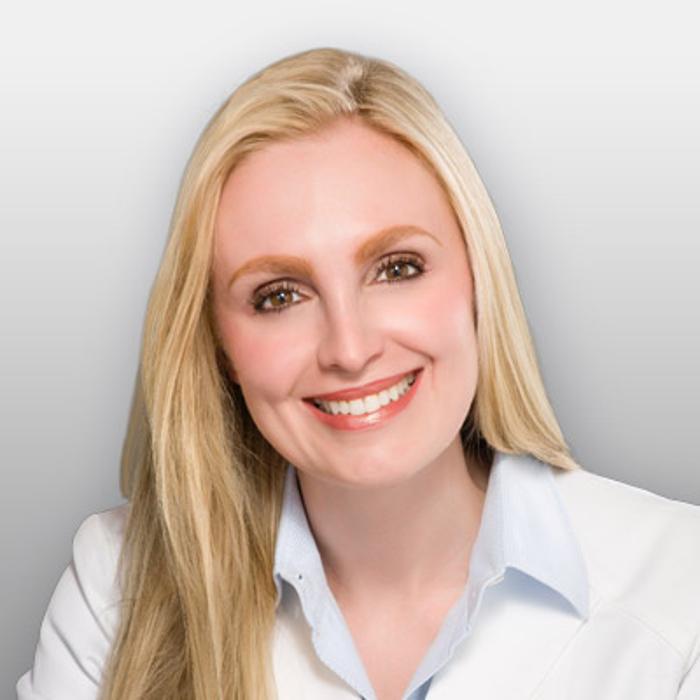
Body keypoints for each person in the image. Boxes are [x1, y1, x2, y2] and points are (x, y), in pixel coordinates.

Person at [16, 46, 700, 700]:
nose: (349, 347)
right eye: (279, 296)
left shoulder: (680, 586)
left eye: (397, 268)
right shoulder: (117, 586)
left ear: (477, 281)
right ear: (219, 345)